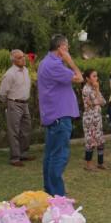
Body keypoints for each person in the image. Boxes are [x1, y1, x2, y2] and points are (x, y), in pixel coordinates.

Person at [38, 34, 83, 197]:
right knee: (59, 156)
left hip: (54, 116)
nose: (68, 50)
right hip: (60, 117)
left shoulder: (46, 62)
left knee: (51, 155)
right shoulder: (54, 65)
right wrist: (70, 61)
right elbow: (79, 77)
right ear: (61, 48)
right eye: (67, 47)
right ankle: (58, 196)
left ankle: (50, 192)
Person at [0, 49, 34, 167]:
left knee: (26, 129)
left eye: (23, 56)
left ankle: (23, 154)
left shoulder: (26, 70)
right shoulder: (10, 74)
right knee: (14, 131)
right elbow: (2, 93)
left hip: (25, 103)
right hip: (14, 103)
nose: (23, 59)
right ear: (14, 60)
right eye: (19, 57)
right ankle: (15, 158)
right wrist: (9, 104)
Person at [81, 68, 106, 171]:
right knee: (90, 142)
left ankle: (100, 163)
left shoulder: (95, 88)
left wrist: (97, 90)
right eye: (94, 76)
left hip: (97, 119)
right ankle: (88, 164)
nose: (96, 78)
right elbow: (90, 104)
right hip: (89, 120)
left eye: (97, 76)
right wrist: (97, 100)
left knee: (100, 141)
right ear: (87, 78)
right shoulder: (86, 89)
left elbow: (103, 102)